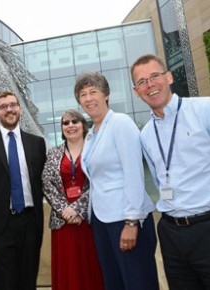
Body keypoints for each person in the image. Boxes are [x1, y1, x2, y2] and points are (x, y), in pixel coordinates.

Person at [131, 54, 210, 290]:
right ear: (136, 92)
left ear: (169, 77)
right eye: (142, 82)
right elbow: (157, 177)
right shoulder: (145, 134)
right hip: (171, 234)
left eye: (155, 76)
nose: (150, 85)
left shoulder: (206, 109)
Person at [75, 72, 159, 290]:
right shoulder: (92, 134)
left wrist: (132, 221)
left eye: (93, 91)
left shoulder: (120, 123)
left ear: (106, 95)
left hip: (126, 220)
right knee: (114, 283)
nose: (88, 98)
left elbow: (133, 173)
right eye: (83, 94)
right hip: (103, 221)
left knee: (138, 282)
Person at [0, 91, 47, 290]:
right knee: (4, 283)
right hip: (0, 226)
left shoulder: (37, 143)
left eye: (13, 105)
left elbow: (43, 182)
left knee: (28, 282)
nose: (9, 109)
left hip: (31, 223)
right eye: (3, 106)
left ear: (20, 109)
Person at [42, 109, 104, 290]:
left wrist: (77, 208)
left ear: (83, 125)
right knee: (68, 268)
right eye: (65, 123)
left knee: (91, 266)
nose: (70, 126)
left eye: (74, 121)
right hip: (63, 222)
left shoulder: (95, 148)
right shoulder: (54, 153)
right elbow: (46, 183)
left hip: (90, 219)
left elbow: (100, 180)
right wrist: (64, 210)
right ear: (62, 129)